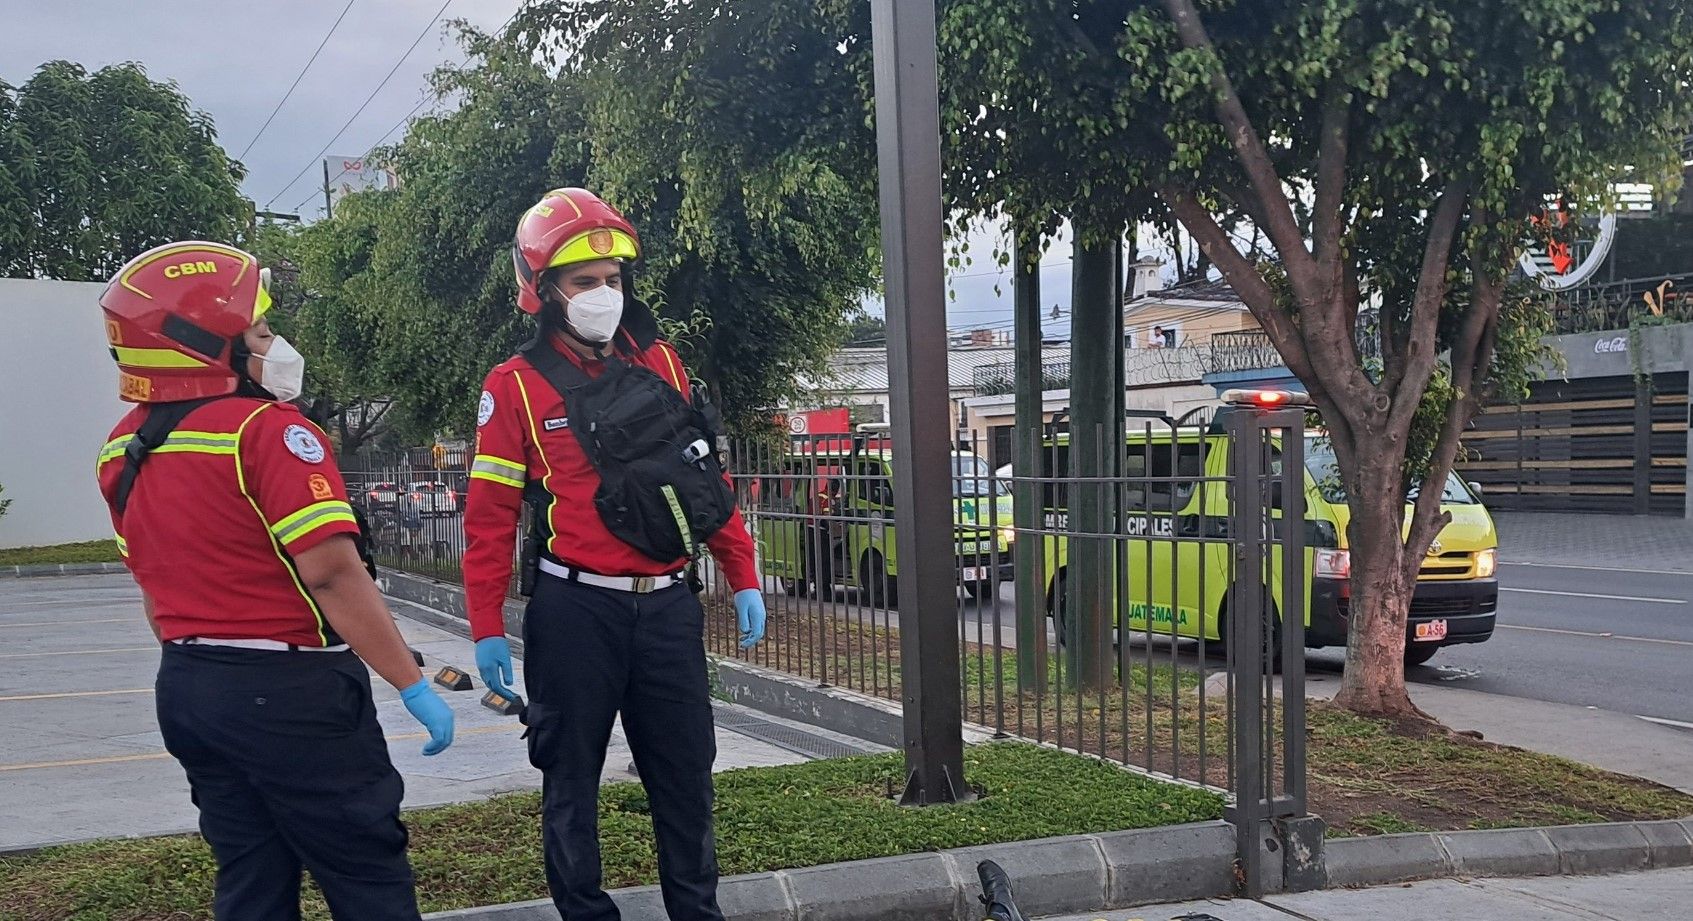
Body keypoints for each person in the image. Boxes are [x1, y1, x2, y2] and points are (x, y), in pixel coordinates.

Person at [95, 241, 455, 921]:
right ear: (204, 344)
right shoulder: (268, 430)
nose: (276, 343)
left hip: (187, 684)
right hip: (292, 695)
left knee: (251, 876)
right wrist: (409, 680)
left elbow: (151, 587)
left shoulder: (123, 449)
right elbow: (331, 573)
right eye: (260, 331)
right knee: (365, 871)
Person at [463, 188, 767, 921]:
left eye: (613, 280)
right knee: (570, 779)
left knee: (686, 777)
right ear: (543, 292)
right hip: (576, 611)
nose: (604, 294)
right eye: (583, 282)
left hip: (665, 606)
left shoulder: (661, 361)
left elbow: (704, 481)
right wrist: (482, 625)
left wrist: (742, 571)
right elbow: (488, 516)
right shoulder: (513, 387)